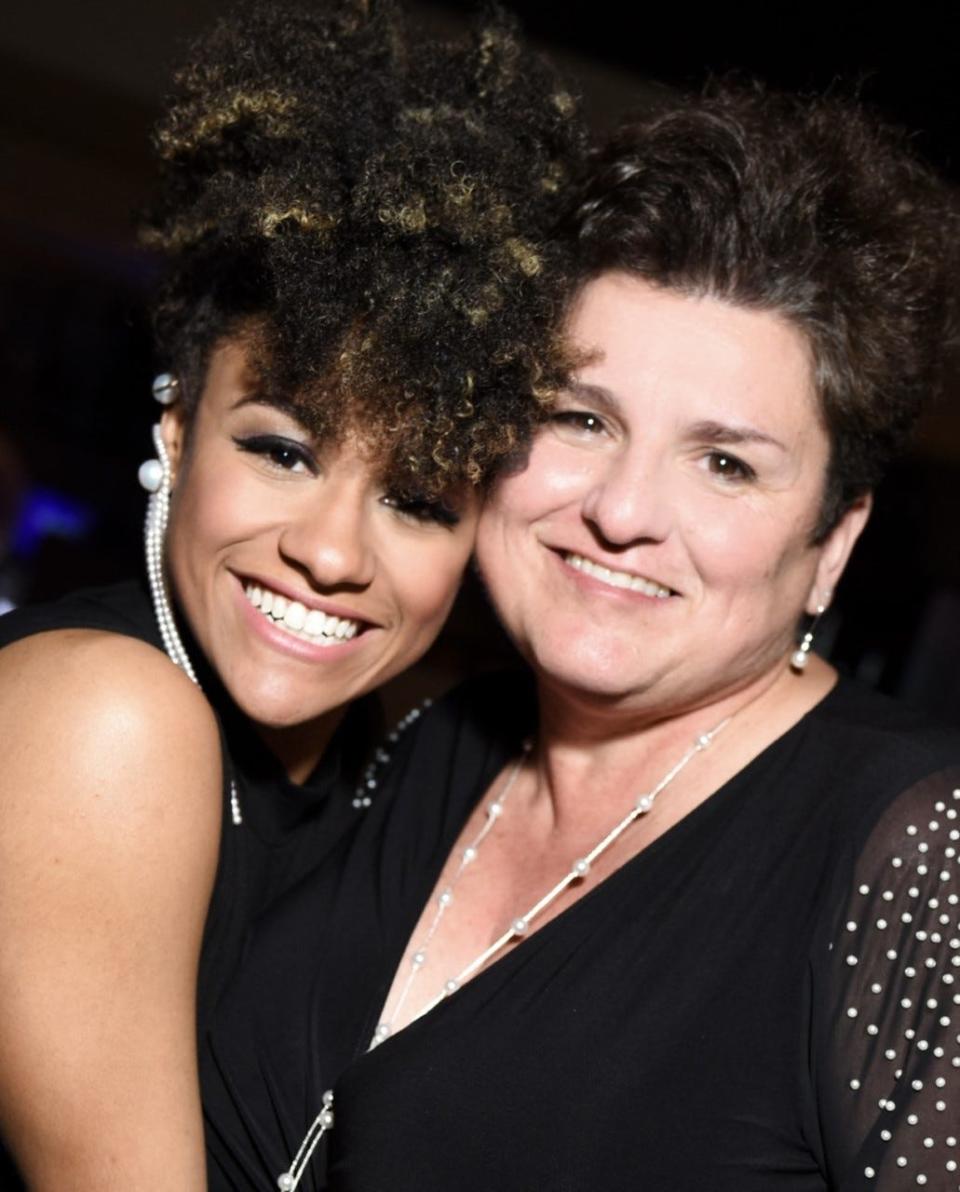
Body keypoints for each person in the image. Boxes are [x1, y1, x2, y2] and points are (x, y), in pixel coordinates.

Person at [199, 85, 960, 1190]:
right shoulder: (428, 739)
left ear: (833, 543)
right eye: (582, 419)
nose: (622, 510)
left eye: (726, 462)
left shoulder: (919, 854)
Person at [0, 2, 582, 1186]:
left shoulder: (392, 761)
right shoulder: (104, 715)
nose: (329, 552)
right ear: (176, 425)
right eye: (282, 450)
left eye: (416, 498)